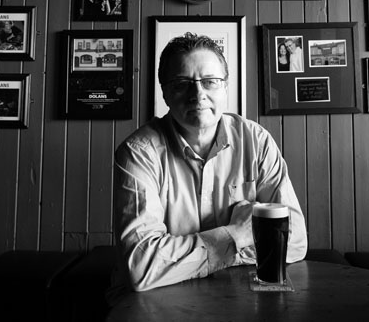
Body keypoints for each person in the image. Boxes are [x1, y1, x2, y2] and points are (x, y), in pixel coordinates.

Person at [111, 32, 307, 298]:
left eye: (210, 82)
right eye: (182, 83)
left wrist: (183, 259)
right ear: (165, 92)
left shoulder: (256, 140)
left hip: (239, 298)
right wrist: (237, 234)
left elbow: (294, 241)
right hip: (157, 303)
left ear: (225, 87)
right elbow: (143, 267)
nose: (198, 94)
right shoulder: (138, 152)